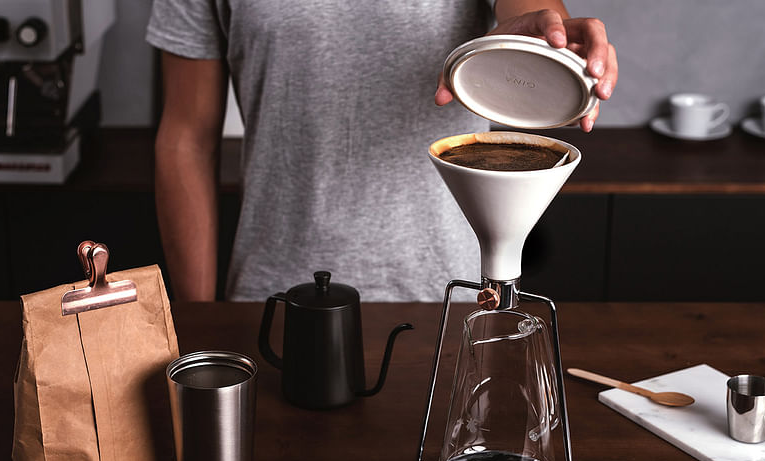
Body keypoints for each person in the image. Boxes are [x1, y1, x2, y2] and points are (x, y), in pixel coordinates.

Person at [146, 1, 617, 302]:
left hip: (451, 298)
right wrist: (195, 320)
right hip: (272, 296)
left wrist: (548, 42)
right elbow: (186, 138)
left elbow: (535, 11)